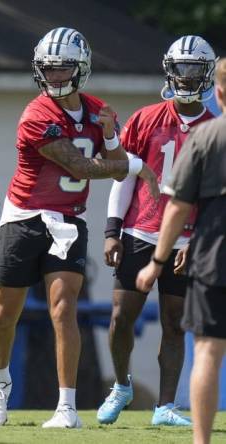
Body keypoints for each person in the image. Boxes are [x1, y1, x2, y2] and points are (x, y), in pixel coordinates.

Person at [0, 27, 160, 429]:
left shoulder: (96, 110)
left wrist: (112, 133)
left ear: (80, 69)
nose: (55, 75)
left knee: (64, 311)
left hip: (68, 220)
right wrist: (136, 165)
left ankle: (67, 407)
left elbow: (111, 162)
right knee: (4, 313)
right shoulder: (36, 114)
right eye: (48, 68)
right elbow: (81, 166)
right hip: (23, 217)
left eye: (63, 67)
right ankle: (0, 380)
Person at [97, 35, 217, 426]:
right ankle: (121, 385)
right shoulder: (146, 118)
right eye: (179, 68)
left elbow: (216, 197)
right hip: (140, 231)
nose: (184, 77)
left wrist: (199, 240)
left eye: (193, 69)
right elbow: (123, 176)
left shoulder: (215, 129)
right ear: (169, 69)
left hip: (187, 239)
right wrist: (112, 230)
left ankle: (165, 406)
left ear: (207, 73)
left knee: (174, 321)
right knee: (120, 317)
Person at [136, 58, 226, 444]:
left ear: (218, 91)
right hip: (210, 253)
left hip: (214, 256)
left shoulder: (206, 136)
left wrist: (157, 261)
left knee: (207, 351)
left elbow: (175, 206)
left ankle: (202, 442)